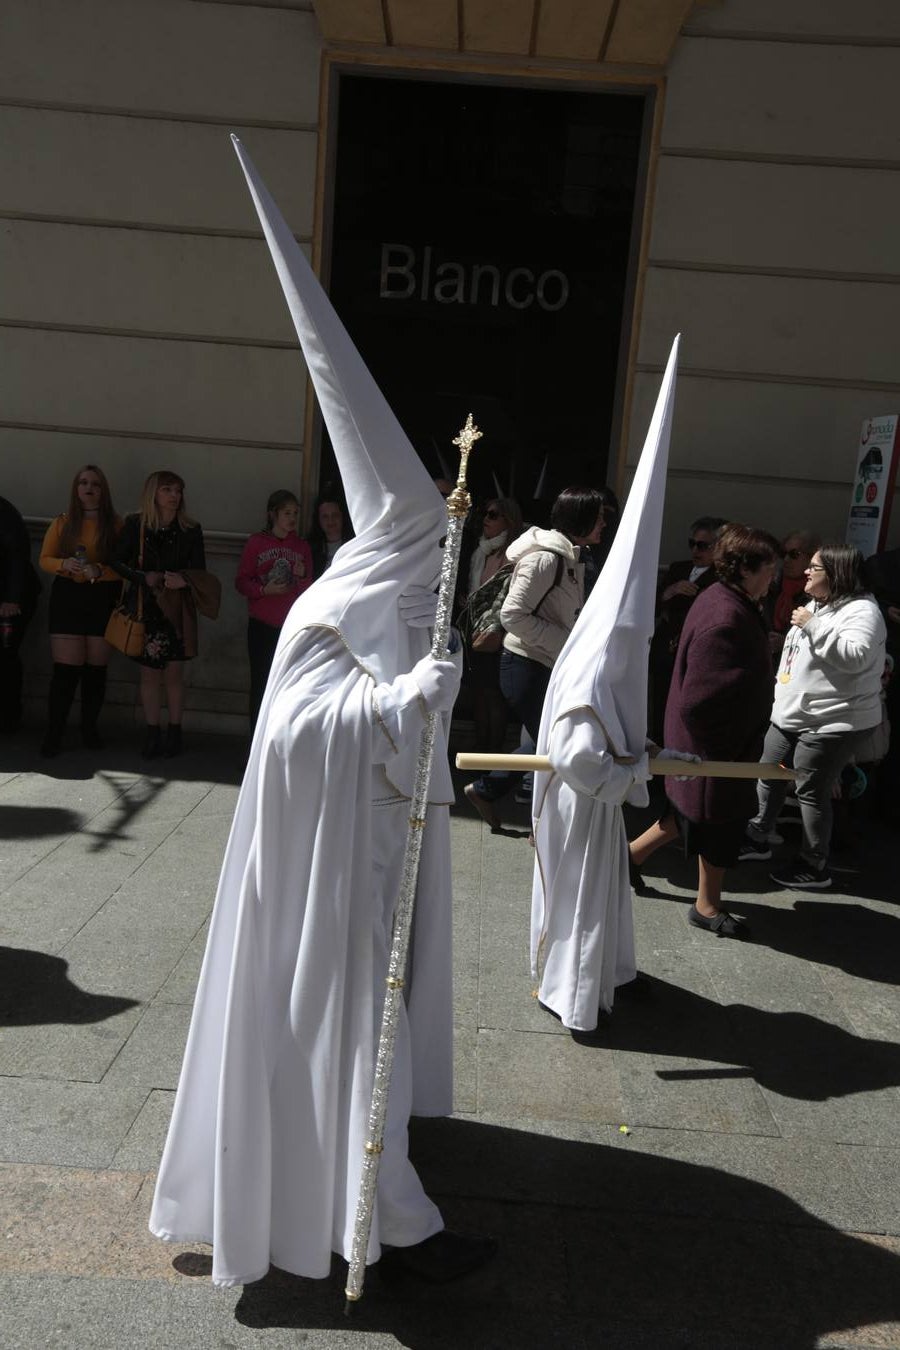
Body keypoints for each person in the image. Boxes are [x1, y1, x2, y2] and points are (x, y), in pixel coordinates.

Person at [149, 138, 494, 1288]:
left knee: (365, 1050)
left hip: (363, 872)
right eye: (429, 552)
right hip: (317, 887)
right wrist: (401, 699)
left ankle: (372, 1195)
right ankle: (330, 1216)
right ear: (397, 542)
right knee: (322, 1038)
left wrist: (418, 701)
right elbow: (298, 737)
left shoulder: (393, 606)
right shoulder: (328, 612)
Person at [532, 338, 694, 1036]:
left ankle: (610, 976)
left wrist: (641, 745)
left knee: (604, 899)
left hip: (593, 806)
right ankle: (575, 995)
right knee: (583, 902)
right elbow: (578, 756)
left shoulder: (608, 644)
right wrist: (635, 766)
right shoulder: (600, 657)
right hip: (580, 806)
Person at [629, 523, 781, 939]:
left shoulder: (721, 596)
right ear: (747, 569)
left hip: (704, 748)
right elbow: (702, 701)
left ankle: (630, 858)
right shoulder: (726, 614)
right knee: (717, 824)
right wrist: (720, 754)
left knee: (684, 813)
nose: (774, 578)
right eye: (769, 570)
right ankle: (706, 905)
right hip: (715, 751)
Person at [740, 543, 887, 889]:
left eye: (815, 568)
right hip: (792, 715)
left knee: (810, 789)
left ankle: (814, 864)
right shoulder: (819, 604)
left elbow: (856, 657)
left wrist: (812, 626)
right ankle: (758, 836)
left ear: (836, 575)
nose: (806, 570)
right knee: (768, 772)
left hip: (831, 720)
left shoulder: (863, 611)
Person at [465, 486, 605, 829]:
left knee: (551, 744)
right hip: (525, 667)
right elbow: (513, 616)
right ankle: (537, 821)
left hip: (544, 664)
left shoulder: (572, 555)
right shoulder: (546, 558)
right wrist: (567, 644)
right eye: (599, 517)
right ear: (582, 519)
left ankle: (491, 793)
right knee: (557, 744)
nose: (604, 523)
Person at [113, 471, 219, 759]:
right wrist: (141, 577)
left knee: (174, 674)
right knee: (149, 675)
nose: (174, 496)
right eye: (167, 490)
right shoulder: (136, 525)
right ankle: (152, 731)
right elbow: (115, 560)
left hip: (176, 608)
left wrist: (183, 580)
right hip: (146, 607)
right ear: (153, 494)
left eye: (178, 490)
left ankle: (175, 731)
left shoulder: (190, 529)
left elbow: (200, 569)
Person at [38, 465, 122, 756]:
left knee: (95, 670)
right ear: (76, 489)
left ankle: (89, 729)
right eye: (83, 483)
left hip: (102, 596)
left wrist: (100, 569)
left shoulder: (115, 525)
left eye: (95, 484)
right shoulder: (63, 522)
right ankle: (54, 734)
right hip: (68, 596)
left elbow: (125, 568)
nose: (89, 488)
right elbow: (45, 559)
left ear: (103, 490)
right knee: (65, 671)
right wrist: (64, 565)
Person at [235, 490, 312, 732]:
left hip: (290, 627)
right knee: (260, 684)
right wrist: (263, 590)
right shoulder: (256, 542)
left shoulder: (302, 547)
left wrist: (300, 577)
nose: (292, 518)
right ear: (273, 514)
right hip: (261, 625)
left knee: (287, 685)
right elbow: (241, 582)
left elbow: (310, 590)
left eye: (295, 514)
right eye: (287, 513)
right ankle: (254, 743)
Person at [648, 516, 725, 744]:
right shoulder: (678, 568)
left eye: (703, 546)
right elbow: (650, 606)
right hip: (665, 650)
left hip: (693, 651)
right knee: (659, 707)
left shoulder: (721, 577)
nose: (696, 550)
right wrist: (670, 591)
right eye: (692, 544)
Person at [457, 496, 523, 754]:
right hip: (473, 630)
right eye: (485, 513)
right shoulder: (480, 550)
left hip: (496, 634)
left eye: (493, 515)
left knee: (493, 695)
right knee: (478, 693)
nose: (486, 519)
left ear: (509, 520)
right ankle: (479, 747)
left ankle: (492, 753)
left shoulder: (512, 554)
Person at [0, 495, 40, 734]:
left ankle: (8, 718)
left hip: (10, 599)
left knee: (5, 658)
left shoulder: (3, 511)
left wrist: (11, 598)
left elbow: (17, 553)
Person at [766, 529, 820, 660]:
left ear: (811, 557)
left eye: (794, 554)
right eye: (783, 554)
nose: (786, 559)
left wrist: (786, 642)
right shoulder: (770, 586)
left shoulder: (817, 594)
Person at [307, 486, 353, 578]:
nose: (330, 520)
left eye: (335, 515)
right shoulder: (309, 549)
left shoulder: (353, 546)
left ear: (342, 517)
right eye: (325, 516)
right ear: (318, 520)